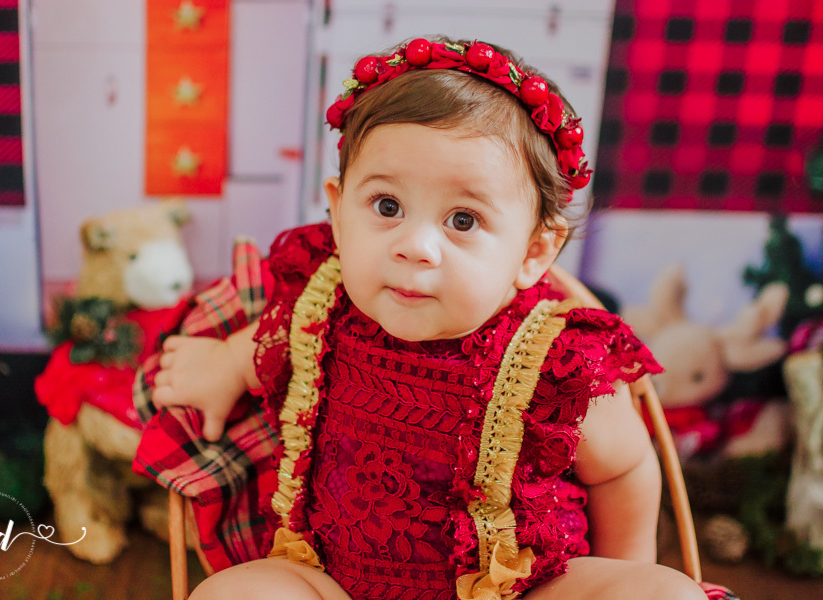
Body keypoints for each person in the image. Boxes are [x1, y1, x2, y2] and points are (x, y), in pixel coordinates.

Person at [149, 37, 708, 600]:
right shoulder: (319, 309)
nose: (415, 246)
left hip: (522, 588)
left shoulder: (556, 359)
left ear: (534, 253)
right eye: (387, 207)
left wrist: (625, 570)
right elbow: (265, 349)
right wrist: (220, 364)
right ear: (339, 216)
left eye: (463, 219)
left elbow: (623, 468)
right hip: (331, 582)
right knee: (229, 595)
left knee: (665, 593)